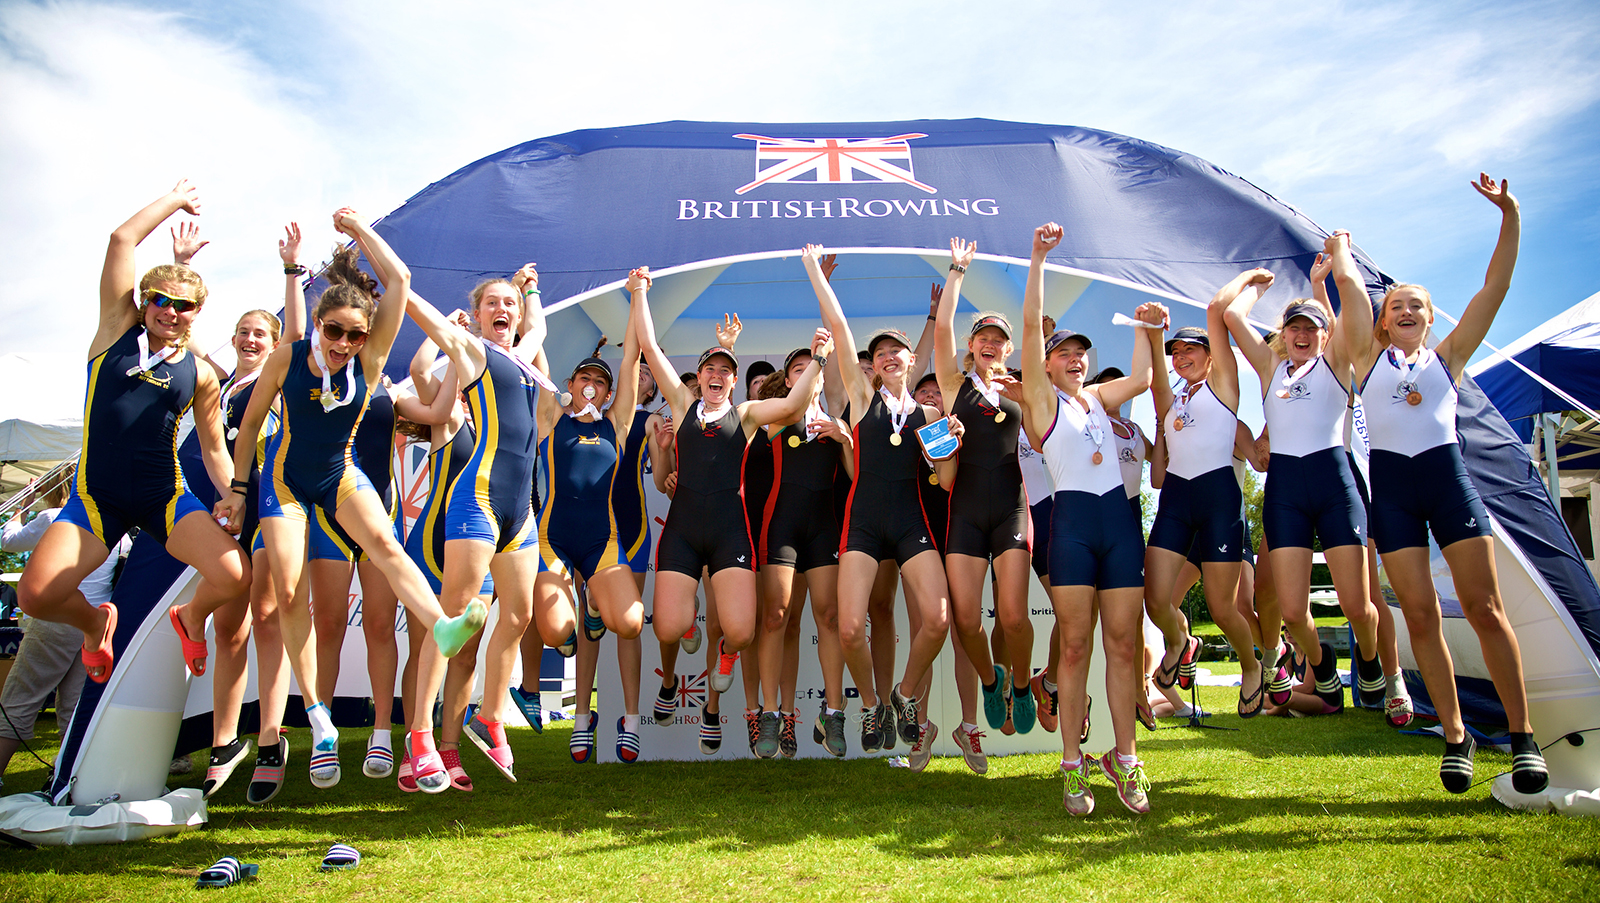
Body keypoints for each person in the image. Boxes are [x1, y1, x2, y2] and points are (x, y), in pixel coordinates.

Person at [217, 208, 486, 791]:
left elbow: (402, 282)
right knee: (288, 589)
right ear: (318, 323)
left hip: (339, 476)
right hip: (285, 481)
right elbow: (251, 423)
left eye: (354, 334)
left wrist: (361, 229)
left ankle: (441, 626)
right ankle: (317, 715)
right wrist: (240, 490)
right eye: (333, 330)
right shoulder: (288, 356)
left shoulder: (370, 360)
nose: (343, 343)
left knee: (388, 543)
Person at [1339, 174, 1546, 794]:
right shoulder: (1363, 358)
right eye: (1395, 304)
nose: (1405, 310)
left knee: (1485, 608)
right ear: (1381, 321)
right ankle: (1456, 736)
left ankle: (1522, 737)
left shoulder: (1448, 358)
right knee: (1420, 618)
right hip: (1394, 496)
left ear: (1430, 319)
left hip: (1448, 482)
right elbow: (1348, 286)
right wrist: (1342, 247)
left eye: (1417, 305)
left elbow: (1497, 285)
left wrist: (1509, 213)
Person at [18, 180, 249, 691]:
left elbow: (214, 448)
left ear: (197, 312)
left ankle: (191, 618)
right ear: (144, 304)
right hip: (96, 497)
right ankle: (96, 624)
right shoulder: (113, 338)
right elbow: (121, 240)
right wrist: (175, 200)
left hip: (161, 497)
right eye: (161, 300)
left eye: (184, 305)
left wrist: (236, 493)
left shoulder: (201, 373)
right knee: (34, 596)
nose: (171, 311)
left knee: (235, 576)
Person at [634, 265, 833, 756]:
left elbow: (791, 405)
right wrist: (640, 293)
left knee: (741, 632)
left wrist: (821, 359)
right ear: (698, 377)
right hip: (682, 530)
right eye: (710, 369)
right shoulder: (681, 407)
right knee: (668, 626)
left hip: (730, 532)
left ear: (732, 378)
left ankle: (723, 657)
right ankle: (679, 658)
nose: (718, 376)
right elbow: (651, 347)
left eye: (726, 370)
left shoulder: (745, 416)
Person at [1020, 222, 1166, 816]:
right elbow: (1030, 329)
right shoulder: (1039, 400)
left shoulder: (1101, 400)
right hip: (1073, 530)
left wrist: (1146, 328)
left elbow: (1145, 378)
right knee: (1075, 647)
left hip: (1119, 529)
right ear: (1047, 367)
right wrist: (1038, 259)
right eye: (1064, 353)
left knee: (1124, 647)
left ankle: (1126, 762)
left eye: (1082, 353)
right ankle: (1072, 765)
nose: (1075, 359)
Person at [399, 259, 560, 789]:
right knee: (454, 622)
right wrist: (390, 279)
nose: (502, 309)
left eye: (507, 303)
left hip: (522, 510)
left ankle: (490, 718)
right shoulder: (474, 352)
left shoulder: (526, 358)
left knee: (516, 617)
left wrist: (530, 288)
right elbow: (423, 317)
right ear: (475, 314)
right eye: (492, 302)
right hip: (480, 498)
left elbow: (540, 326)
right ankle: (420, 737)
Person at [802, 243, 956, 755]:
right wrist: (815, 275)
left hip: (911, 521)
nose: (889, 356)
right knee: (850, 630)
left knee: (937, 619)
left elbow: (949, 480)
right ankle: (871, 705)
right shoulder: (862, 399)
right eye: (881, 352)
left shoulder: (931, 416)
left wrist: (950, 441)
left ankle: (905, 694)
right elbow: (841, 331)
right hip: (862, 521)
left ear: (913, 361)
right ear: (873, 365)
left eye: (898, 351)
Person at [1221, 243, 1383, 717]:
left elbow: (1355, 307)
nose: (1302, 334)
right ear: (1283, 335)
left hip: (1335, 483)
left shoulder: (1336, 363)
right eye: (1294, 327)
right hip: (1286, 491)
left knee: (1358, 606)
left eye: (1311, 327)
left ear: (1324, 334)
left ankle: (1370, 662)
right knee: (1292, 612)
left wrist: (1339, 265)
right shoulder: (1270, 368)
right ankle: (1322, 664)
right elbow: (1232, 317)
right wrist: (1255, 284)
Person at [530, 271, 646, 763]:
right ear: (571, 386)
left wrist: (637, 296)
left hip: (603, 540)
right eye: (585, 379)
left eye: (601, 381)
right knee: (559, 635)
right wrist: (532, 292)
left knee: (632, 623)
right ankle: (581, 626)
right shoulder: (550, 418)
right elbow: (536, 356)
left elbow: (634, 356)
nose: (594, 386)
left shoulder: (619, 423)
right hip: (552, 540)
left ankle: (629, 719)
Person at [1144, 272, 1268, 719]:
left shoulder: (1224, 386)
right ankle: (1178, 642)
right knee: (1155, 598)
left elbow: (1218, 310)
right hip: (1176, 499)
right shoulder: (1172, 399)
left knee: (1222, 606)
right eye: (1176, 352)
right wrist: (1155, 333)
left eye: (1190, 349)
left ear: (1214, 357)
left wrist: (1253, 284)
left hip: (1218, 498)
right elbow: (1157, 374)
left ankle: (1253, 667)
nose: (1180, 357)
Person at [931, 238, 1038, 735]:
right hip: (966, 513)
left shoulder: (1020, 386)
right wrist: (958, 271)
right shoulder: (955, 385)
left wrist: (1028, 398)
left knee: (1014, 620)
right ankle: (990, 682)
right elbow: (941, 332)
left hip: (1013, 510)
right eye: (983, 337)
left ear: (1008, 347)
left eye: (999, 338)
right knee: (967, 623)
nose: (990, 344)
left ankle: (1020, 685)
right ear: (971, 344)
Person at [751, 346, 850, 758]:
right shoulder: (775, 415)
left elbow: (854, 475)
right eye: (799, 369)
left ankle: (832, 713)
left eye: (814, 367)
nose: (810, 372)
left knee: (829, 615)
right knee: (775, 616)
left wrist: (843, 437)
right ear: (790, 380)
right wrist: (816, 366)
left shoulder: (834, 419)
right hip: (781, 526)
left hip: (824, 528)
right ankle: (771, 713)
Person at [0, 470, 128, 786]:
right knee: (75, 708)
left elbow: (8, 541)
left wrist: (21, 507)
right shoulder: (118, 526)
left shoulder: (53, 517)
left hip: (57, 620)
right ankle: (67, 776)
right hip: (95, 624)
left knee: (20, 698)